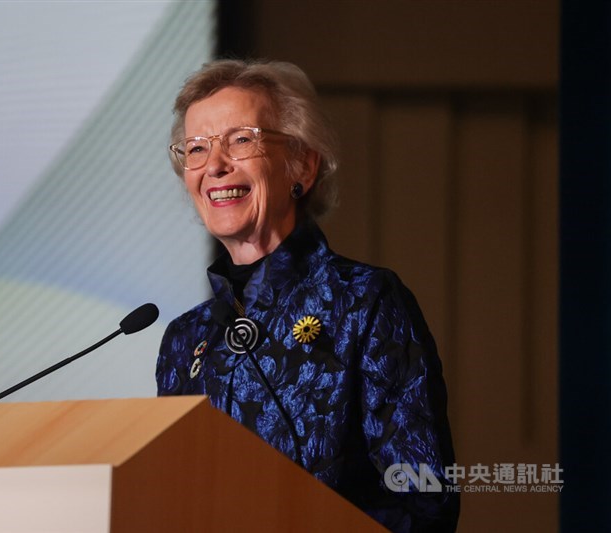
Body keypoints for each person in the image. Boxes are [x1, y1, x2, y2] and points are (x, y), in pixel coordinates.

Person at [156, 59, 459, 532]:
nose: (214, 165)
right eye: (196, 148)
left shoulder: (365, 302)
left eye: (240, 139)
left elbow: (424, 493)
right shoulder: (185, 339)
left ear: (302, 164)